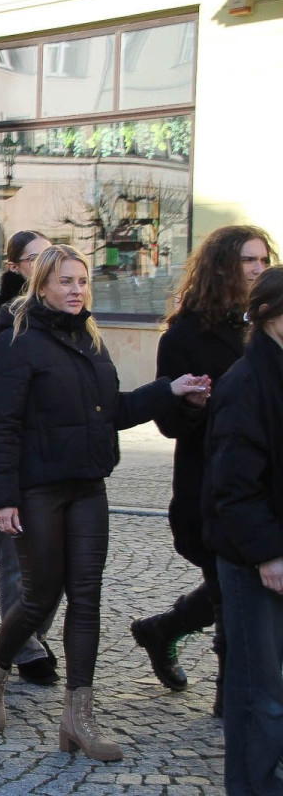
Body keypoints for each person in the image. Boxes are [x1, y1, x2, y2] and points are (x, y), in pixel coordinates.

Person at [0, 244, 209, 762]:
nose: (77, 290)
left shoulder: (92, 340)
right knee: (39, 596)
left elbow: (112, 412)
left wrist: (171, 389)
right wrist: (1, 497)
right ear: (43, 286)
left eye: (82, 281)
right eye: (66, 282)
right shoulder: (18, 341)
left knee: (87, 599)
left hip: (87, 486)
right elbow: (0, 423)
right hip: (37, 488)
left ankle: (79, 717)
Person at [131, 226, 275, 716]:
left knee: (238, 588)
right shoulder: (186, 334)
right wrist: (194, 404)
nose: (258, 268)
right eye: (248, 261)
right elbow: (168, 422)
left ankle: (163, 629)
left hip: (263, 486)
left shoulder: (266, 326)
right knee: (232, 599)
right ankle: (234, 707)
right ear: (221, 268)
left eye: (263, 259)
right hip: (210, 488)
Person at [0, 229, 60, 687]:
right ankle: (22, 645)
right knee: (18, 554)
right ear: (15, 265)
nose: (47, 264)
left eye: (51, 256)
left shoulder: (66, 316)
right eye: (36, 257)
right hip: (15, 453)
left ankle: (33, 632)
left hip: (57, 457)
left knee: (56, 560)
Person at [204, 266, 283, 795]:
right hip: (254, 559)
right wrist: (269, 553)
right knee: (259, 691)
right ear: (271, 316)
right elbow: (232, 487)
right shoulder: (247, 382)